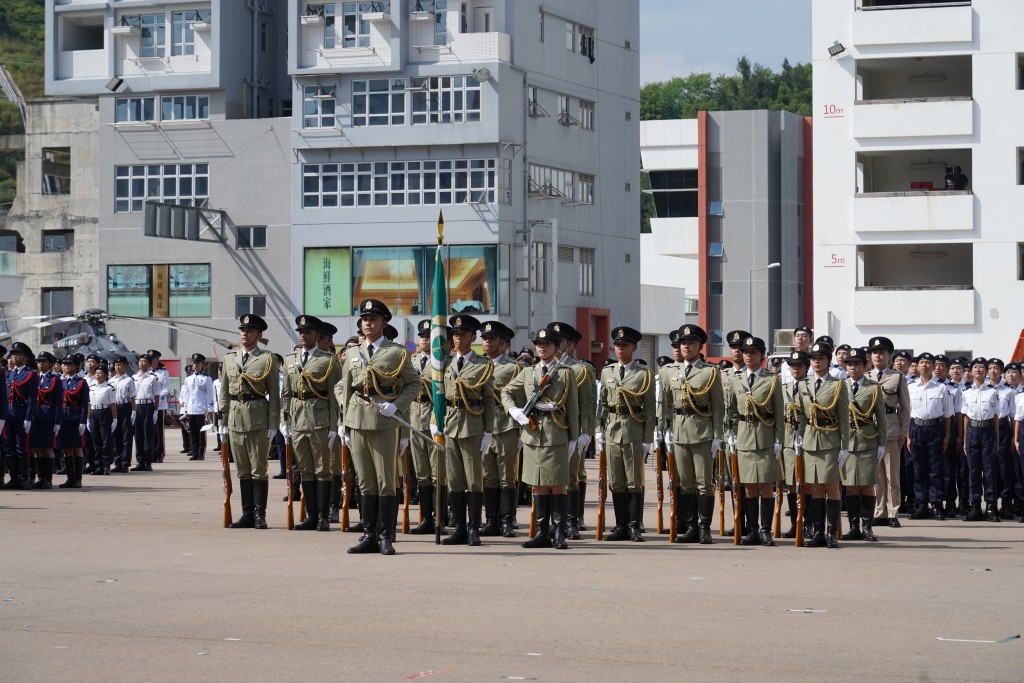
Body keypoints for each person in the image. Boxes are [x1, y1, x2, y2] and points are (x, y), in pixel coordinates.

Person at [337, 299, 419, 555]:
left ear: (384, 322)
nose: (367, 323)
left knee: (385, 481)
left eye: (373, 319)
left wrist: (397, 406)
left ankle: (386, 535)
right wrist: (345, 415)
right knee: (364, 482)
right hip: (357, 422)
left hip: (384, 423)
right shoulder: (352, 353)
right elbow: (343, 386)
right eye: (364, 319)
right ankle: (369, 534)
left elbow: (413, 384)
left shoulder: (397, 352)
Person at [502, 326, 580, 550]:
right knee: (537, 485)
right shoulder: (527, 372)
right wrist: (513, 411)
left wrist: (573, 438)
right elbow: (505, 392)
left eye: (546, 344)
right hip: (533, 434)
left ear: (556, 347)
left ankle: (559, 533)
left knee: (557, 484)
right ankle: (541, 533)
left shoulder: (565, 372)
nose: (542, 347)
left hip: (556, 432)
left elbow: (572, 408)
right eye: (539, 344)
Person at [657, 324, 724, 544]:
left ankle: (705, 528)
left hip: (702, 431)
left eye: (691, 343)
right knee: (685, 482)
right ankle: (691, 526)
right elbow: (665, 403)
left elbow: (718, 406)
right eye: (683, 343)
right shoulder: (669, 372)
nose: (686, 346)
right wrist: (663, 430)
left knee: (704, 482)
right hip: (678, 431)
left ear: (700, 346)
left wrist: (717, 435)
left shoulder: (709, 372)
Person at [435, 314, 495, 546]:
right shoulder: (444, 363)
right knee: (455, 480)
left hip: (472, 426)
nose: (458, 338)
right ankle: (459, 527)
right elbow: (439, 396)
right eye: (455, 334)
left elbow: (488, 400)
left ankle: (473, 528)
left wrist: (488, 431)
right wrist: (435, 421)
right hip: (450, 426)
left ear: (473, 336)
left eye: (463, 334)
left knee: (473, 481)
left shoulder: (483, 364)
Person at [219, 314, 280, 530]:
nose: (245, 333)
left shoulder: (267, 358)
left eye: (250, 331)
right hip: (235, 417)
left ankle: (259, 514)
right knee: (242, 470)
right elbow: (225, 392)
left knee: (258, 469)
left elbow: (274, 392)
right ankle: (246, 513)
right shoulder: (229, 359)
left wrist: (273, 424)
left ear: (259, 335)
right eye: (242, 330)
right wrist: (223, 420)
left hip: (257, 417)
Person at [282, 315, 341, 532]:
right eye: (301, 332)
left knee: (322, 470)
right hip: (298, 421)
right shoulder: (290, 360)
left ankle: (324, 517)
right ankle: (311, 515)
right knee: (305, 470)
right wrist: (284, 420)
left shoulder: (328, 360)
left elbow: (335, 397)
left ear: (317, 336)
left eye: (307, 332)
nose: (303, 336)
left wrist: (335, 426)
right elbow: (287, 393)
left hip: (320, 420)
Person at [597, 326, 656, 542]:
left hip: (633, 430)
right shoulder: (607, 372)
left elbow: (650, 409)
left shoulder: (644, 374)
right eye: (618, 345)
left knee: (634, 481)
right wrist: (598, 430)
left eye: (625, 345)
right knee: (616, 481)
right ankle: (620, 525)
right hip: (612, 430)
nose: (620, 349)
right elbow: (603, 403)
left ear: (634, 347)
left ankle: (634, 525)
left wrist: (648, 439)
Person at [726, 336, 784, 547]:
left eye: (753, 352)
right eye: (746, 352)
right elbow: (731, 411)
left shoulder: (771, 380)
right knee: (749, 486)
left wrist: (779, 440)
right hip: (744, 436)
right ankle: (751, 530)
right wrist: (731, 435)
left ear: (762, 355)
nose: (748, 355)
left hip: (766, 436)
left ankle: (765, 530)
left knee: (767, 486)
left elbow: (779, 412)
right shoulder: (736, 380)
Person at [797, 341, 849, 548]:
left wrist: (844, 445)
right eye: (814, 359)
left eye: (821, 359)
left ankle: (832, 532)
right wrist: (798, 437)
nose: (817, 362)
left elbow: (844, 417)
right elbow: (802, 415)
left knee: (832, 486)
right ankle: (818, 531)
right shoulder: (803, 384)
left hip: (830, 439)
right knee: (815, 487)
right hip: (810, 440)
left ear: (828, 361)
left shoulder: (837, 385)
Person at [840, 347, 888, 542]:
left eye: (857, 364)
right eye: (850, 364)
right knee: (851, 486)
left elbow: (882, 418)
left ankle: (868, 526)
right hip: (847, 442)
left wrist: (882, 444)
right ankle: (854, 527)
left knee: (867, 485)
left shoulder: (873, 387)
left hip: (867, 439)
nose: (853, 367)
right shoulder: (840, 387)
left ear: (865, 365)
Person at [479, 321, 521, 537]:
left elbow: (521, 400)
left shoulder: (514, 368)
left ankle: (506, 520)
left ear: (503, 343)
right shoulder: (477, 365)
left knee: (507, 476)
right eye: (484, 338)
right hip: (484, 427)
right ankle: (491, 520)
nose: (487, 341)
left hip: (506, 426)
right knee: (489, 477)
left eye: (492, 338)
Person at [868, 337, 911, 528]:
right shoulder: (866, 377)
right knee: (876, 476)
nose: (878, 356)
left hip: (891, 430)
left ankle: (893, 512)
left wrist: (904, 432)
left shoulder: (897, 377)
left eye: (882, 353)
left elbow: (905, 408)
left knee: (892, 475)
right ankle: (880, 512)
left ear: (889, 356)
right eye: (875, 352)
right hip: (869, 431)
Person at [907, 353, 953, 520]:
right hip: (917, 429)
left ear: (934, 366)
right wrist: (908, 436)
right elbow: (907, 414)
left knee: (935, 469)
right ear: (917, 366)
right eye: (922, 362)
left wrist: (947, 436)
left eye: (928, 363)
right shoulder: (911, 387)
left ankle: (936, 504)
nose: (925, 365)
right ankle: (921, 504)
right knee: (919, 469)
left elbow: (948, 414)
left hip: (936, 429)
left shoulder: (941, 388)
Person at [408, 319, 441, 535]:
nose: (424, 339)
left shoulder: (441, 361)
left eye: (429, 336)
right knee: (421, 473)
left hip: (432, 417)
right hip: (413, 418)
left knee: (437, 472)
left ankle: (440, 517)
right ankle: (426, 517)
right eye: (422, 336)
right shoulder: (410, 360)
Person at [960, 358, 1002, 521]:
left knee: (990, 469)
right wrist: (964, 440)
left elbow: (996, 417)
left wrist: (997, 440)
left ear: (986, 371)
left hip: (988, 430)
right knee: (973, 470)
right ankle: (975, 506)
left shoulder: (993, 392)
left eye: (981, 367)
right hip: (972, 431)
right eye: (975, 367)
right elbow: (965, 417)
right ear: (970, 372)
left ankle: (991, 506)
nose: (978, 369)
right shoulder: (966, 392)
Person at [780, 350, 809, 537]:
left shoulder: (811, 387)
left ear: (806, 367)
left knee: (807, 483)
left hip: (808, 438)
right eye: (792, 365)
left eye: (799, 365)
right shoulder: (784, 388)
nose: (795, 369)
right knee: (791, 483)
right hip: (788, 440)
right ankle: (795, 522)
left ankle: (810, 523)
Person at [5, 342, 38, 490]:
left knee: (22, 448)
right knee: (9, 448)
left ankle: (24, 478)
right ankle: (13, 478)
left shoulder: (30, 374)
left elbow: (32, 398)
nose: (15, 357)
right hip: (8, 415)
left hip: (21, 415)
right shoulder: (9, 373)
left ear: (24, 358)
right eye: (13, 355)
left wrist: (28, 418)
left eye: (18, 355)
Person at [28, 351, 63, 489]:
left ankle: (47, 479)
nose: (40, 364)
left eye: (43, 361)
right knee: (36, 448)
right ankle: (40, 477)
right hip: (35, 418)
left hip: (48, 418)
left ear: (50, 363)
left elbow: (59, 403)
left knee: (47, 449)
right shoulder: (34, 378)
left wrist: (57, 422)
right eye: (38, 361)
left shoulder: (55, 380)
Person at [987, 359, 1017, 519]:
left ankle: (1006, 503)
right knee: (989, 467)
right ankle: (991, 503)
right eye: (990, 368)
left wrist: (1013, 436)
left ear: (1001, 372)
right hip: (987, 427)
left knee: (1004, 467)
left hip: (1004, 429)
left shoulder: (1008, 391)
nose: (993, 371)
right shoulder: (982, 390)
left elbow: (1013, 415)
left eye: (996, 368)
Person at [57, 356, 88, 488]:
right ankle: (70, 478)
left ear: (76, 366)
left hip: (75, 419)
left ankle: (78, 479)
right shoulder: (60, 382)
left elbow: (84, 404)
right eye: (64, 364)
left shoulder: (81, 382)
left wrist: (82, 421)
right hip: (64, 419)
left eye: (70, 364)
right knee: (67, 449)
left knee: (77, 448)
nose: (66, 366)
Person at [181, 353, 215, 461]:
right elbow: (186, 394)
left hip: (201, 409)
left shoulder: (206, 378)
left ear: (202, 364)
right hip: (191, 409)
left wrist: (209, 409)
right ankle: (194, 452)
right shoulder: (188, 379)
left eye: (198, 363)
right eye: (194, 363)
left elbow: (209, 394)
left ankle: (201, 453)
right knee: (192, 433)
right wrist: (185, 408)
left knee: (201, 433)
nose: (195, 365)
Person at [132, 355, 160, 472]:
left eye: (144, 361)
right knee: (138, 435)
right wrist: (133, 410)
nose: (141, 363)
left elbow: (157, 395)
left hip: (148, 405)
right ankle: (140, 461)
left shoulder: (153, 377)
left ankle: (148, 461)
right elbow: (132, 396)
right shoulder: (133, 377)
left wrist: (156, 411)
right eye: (140, 361)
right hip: (137, 405)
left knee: (148, 434)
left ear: (149, 364)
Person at [88, 363, 117, 475]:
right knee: (96, 441)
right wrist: (87, 419)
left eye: (100, 373)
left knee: (106, 440)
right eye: (96, 373)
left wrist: (114, 419)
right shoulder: (92, 388)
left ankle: (106, 464)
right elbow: (89, 405)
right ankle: (98, 465)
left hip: (105, 412)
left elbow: (113, 405)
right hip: (94, 413)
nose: (98, 375)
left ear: (105, 375)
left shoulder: (109, 388)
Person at [109, 356, 136, 473]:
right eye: (116, 365)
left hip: (125, 407)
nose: (118, 367)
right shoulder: (111, 381)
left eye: (120, 365)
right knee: (116, 436)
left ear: (125, 366)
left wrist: (134, 411)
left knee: (126, 436)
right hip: (114, 407)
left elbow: (132, 397)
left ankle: (125, 463)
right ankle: (117, 462)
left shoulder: (129, 380)